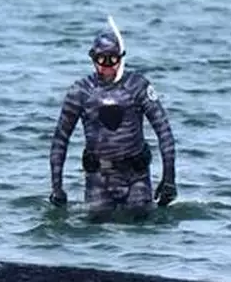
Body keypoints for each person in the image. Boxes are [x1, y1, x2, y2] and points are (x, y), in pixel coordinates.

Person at [48, 16, 177, 220]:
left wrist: (169, 178)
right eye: (101, 59)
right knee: (96, 231)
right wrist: (57, 187)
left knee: (141, 228)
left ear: (121, 58)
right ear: (93, 59)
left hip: (136, 178)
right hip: (98, 179)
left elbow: (164, 132)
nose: (107, 65)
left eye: (113, 59)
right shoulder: (81, 91)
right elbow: (60, 139)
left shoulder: (138, 86)